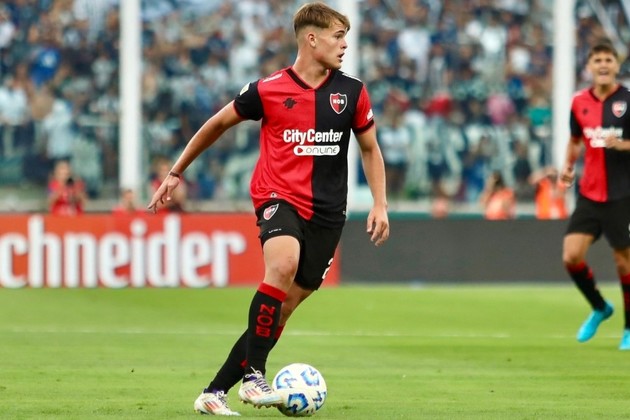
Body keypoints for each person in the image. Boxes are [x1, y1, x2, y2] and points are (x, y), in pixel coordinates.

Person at [147, 2, 389, 416]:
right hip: (278, 197)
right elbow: (217, 124)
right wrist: (176, 171)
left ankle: (214, 391)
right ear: (311, 39)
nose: (344, 45)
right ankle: (255, 377)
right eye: (337, 36)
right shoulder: (267, 89)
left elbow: (370, 148)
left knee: (282, 308)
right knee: (282, 265)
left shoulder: (352, 92)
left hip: (329, 213)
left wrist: (380, 203)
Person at [559, 40, 630, 350]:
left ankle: (629, 328)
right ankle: (600, 307)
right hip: (589, 193)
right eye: (597, 60)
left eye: (608, 60)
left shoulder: (627, 100)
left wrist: (623, 145)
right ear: (589, 67)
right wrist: (567, 167)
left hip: (622, 194)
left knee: (624, 263)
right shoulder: (579, 102)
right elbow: (575, 140)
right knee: (571, 256)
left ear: (616, 65)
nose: (603, 65)